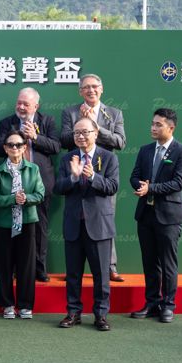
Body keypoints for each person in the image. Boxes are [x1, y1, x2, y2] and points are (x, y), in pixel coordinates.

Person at [54, 117, 119, 331]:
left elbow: (112, 186)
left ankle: (100, 315)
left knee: (101, 275)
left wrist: (93, 177)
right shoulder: (68, 158)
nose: (80, 136)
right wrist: (73, 178)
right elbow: (58, 188)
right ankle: (73, 312)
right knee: (73, 274)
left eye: (85, 132)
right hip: (74, 224)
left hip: (99, 226)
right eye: (76, 133)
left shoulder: (108, 157)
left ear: (95, 133)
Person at [60, 74, 127, 283]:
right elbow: (63, 140)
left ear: (101, 88)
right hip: (76, 172)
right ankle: (74, 268)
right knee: (76, 220)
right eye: (86, 87)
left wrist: (97, 129)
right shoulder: (70, 112)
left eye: (94, 86)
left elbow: (120, 142)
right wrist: (80, 127)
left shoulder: (114, 114)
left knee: (106, 219)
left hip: (103, 173)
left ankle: (110, 265)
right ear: (80, 91)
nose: (91, 90)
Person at [129, 108, 182, 323]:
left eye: (158, 125)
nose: (153, 128)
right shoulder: (145, 150)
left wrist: (151, 188)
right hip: (145, 215)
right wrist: (140, 186)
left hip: (169, 217)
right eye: (152, 123)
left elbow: (178, 183)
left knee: (168, 263)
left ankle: (168, 305)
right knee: (149, 263)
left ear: (171, 128)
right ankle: (152, 302)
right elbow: (135, 176)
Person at [0, 88, 59, 282]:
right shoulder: (7, 122)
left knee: (39, 228)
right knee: (13, 227)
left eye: (26, 104)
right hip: (10, 183)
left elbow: (56, 147)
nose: (21, 107)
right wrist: (14, 139)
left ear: (36, 106)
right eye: (19, 103)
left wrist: (36, 137)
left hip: (38, 183)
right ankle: (14, 268)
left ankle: (39, 267)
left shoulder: (47, 121)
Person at [0, 130, 45, 320]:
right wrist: (13, 198)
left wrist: (25, 198)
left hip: (28, 222)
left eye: (18, 145)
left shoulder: (33, 169)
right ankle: (7, 305)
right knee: (4, 265)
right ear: (4, 148)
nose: (14, 148)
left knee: (26, 266)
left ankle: (25, 305)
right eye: (10, 145)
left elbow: (40, 194)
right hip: (5, 224)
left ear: (24, 147)